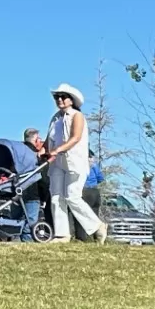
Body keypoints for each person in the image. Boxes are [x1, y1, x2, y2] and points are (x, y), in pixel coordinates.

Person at [43, 84, 103, 241]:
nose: (59, 100)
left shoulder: (77, 116)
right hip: (56, 163)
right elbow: (49, 139)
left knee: (72, 197)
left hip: (74, 161)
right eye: (57, 97)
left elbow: (75, 138)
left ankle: (97, 226)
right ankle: (62, 234)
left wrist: (58, 149)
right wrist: (43, 151)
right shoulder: (55, 118)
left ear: (72, 100)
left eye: (63, 96)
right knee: (56, 197)